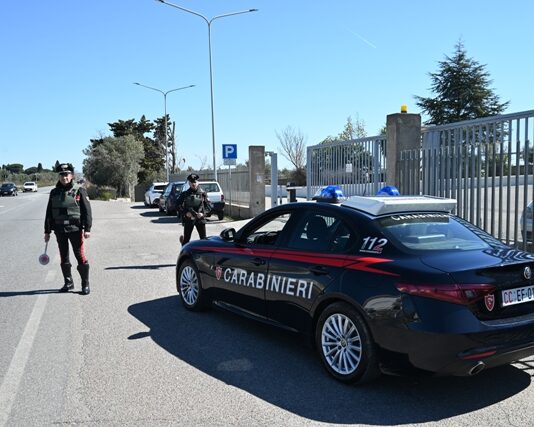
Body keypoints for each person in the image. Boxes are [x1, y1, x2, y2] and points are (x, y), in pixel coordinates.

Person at [44, 163, 92, 295]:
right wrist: (47, 231)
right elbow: (49, 213)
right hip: (60, 230)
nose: (64, 177)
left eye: (66, 174)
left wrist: (87, 229)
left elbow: (87, 211)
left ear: (71, 176)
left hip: (75, 229)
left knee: (80, 256)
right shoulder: (54, 192)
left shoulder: (79, 190)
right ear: (59, 176)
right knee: (63, 257)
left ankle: (85, 284)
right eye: (62, 175)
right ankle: (68, 282)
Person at [176, 174, 211, 245]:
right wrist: (185, 213)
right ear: (189, 183)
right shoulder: (185, 194)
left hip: (200, 219)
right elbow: (177, 205)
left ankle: (203, 255)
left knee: (203, 240)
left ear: (198, 182)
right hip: (189, 219)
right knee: (186, 240)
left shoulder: (203, 194)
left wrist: (203, 214)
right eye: (192, 182)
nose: (193, 184)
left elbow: (209, 207)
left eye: (195, 182)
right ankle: (184, 254)